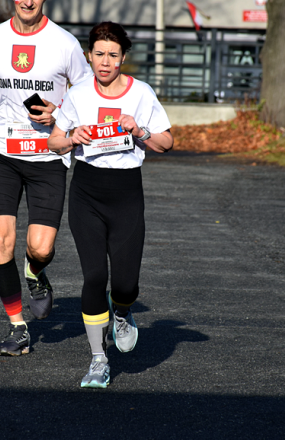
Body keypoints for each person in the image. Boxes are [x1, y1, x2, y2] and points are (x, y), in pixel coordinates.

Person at [0, 0, 93, 356]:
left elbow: (89, 97)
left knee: (40, 247)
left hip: (47, 155)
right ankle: (18, 329)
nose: (28, 0)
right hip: (2, 151)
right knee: (1, 243)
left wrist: (59, 112)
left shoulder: (65, 44)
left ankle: (36, 272)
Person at [47, 22, 173, 388]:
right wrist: (71, 136)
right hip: (87, 189)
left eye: (113, 55)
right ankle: (98, 360)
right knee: (94, 277)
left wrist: (140, 131)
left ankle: (122, 312)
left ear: (123, 58)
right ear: (89, 56)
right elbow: (54, 142)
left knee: (126, 284)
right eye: (99, 54)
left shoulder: (141, 93)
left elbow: (166, 143)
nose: (105, 62)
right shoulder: (78, 93)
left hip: (126, 192)